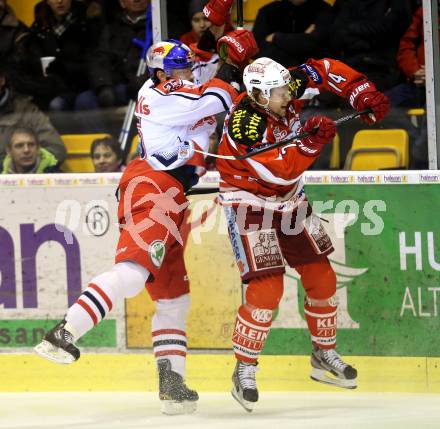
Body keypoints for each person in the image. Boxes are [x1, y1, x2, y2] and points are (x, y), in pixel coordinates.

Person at [34, 24, 258, 415]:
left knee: (174, 297)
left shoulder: (183, 83)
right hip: (151, 187)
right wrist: (233, 65)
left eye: (186, 66)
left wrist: (218, 31)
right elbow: (220, 96)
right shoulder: (159, 96)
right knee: (133, 272)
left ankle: (171, 383)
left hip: (173, 195)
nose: (188, 71)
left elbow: (206, 65)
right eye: (179, 68)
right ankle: (62, 332)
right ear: (160, 74)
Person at [215, 56, 389, 411]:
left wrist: (360, 92)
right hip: (248, 202)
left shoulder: (283, 87)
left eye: (286, 88)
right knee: (268, 288)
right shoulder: (244, 125)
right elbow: (276, 173)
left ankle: (323, 356)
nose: (287, 95)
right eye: (278, 92)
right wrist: (309, 145)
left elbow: (323, 69)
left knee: (322, 277)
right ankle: (244, 369)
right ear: (259, 96)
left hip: (290, 200)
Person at [0, 66, 66, 165]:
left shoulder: (26, 111)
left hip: (19, 178)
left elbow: (56, 150)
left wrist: (14, 166)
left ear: (2, 80)